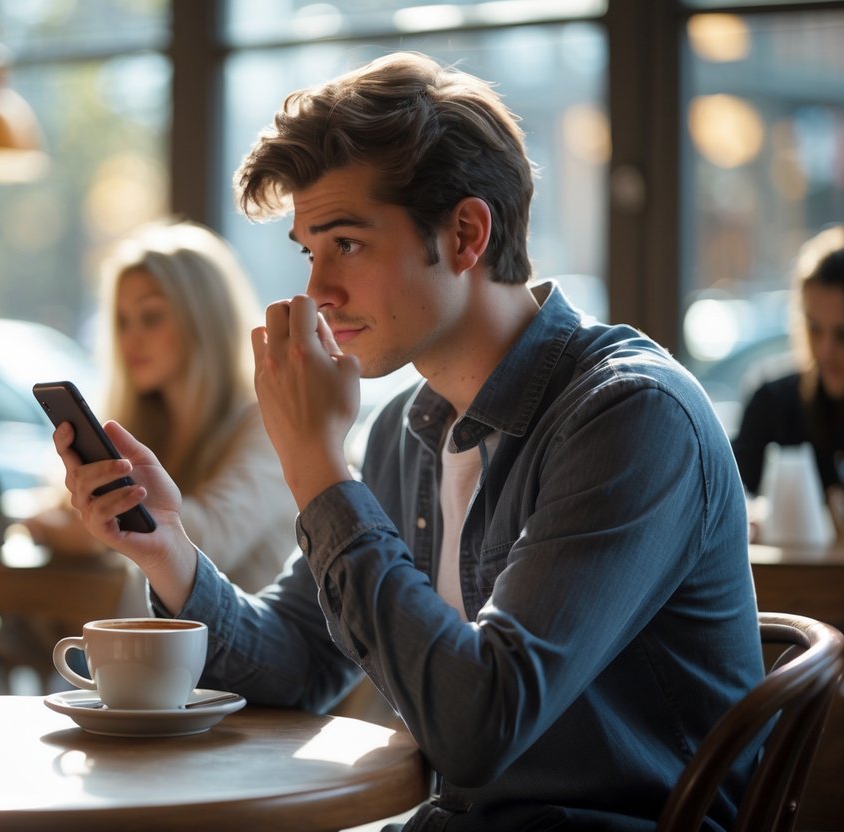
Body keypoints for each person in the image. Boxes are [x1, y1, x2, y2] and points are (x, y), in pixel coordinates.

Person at [50, 52, 763, 830]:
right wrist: (166, 546)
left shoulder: (631, 416)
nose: (317, 290)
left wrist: (316, 466)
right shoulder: (406, 429)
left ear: (464, 234)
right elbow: (292, 664)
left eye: (346, 244)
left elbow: (475, 730)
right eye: (307, 251)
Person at [27, 219, 297, 593]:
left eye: (150, 317)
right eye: (122, 321)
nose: (130, 339)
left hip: (242, 643)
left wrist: (93, 531)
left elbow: (208, 539)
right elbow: (56, 507)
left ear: (203, 319)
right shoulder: (141, 421)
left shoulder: (267, 422)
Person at [732, 225, 844, 499]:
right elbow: (732, 505)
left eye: (842, 334)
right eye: (814, 329)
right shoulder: (771, 403)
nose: (825, 350)